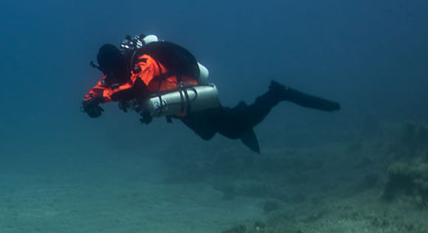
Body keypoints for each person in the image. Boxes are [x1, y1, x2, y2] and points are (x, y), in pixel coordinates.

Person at [81, 35, 339, 153]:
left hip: (191, 97)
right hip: (179, 107)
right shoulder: (119, 72)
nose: (108, 75)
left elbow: (136, 88)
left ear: (115, 63)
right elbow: (101, 88)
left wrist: (102, 99)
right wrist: (88, 101)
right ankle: (239, 113)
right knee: (208, 134)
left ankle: (276, 94)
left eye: (109, 70)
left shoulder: (144, 61)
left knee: (233, 128)